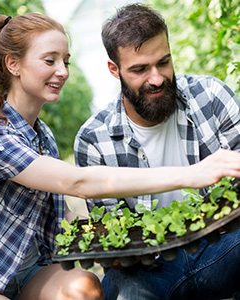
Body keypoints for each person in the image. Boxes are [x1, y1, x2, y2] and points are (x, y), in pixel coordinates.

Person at [0, 11, 240, 300]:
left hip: (31, 273)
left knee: (84, 288)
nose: (63, 71)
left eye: (65, 61)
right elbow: (77, 182)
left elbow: (61, 215)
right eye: (50, 60)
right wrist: (193, 174)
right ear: (13, 65)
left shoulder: (41, 136)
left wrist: (106, 237)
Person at [74, 3, 240, 300]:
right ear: (115, 70)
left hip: (223, 248)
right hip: (150, 271)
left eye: (163, 62)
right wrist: (117, 252)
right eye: (139, 69)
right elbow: (114, 232)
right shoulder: (93, 141)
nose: (157, 78)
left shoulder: (212, 98)